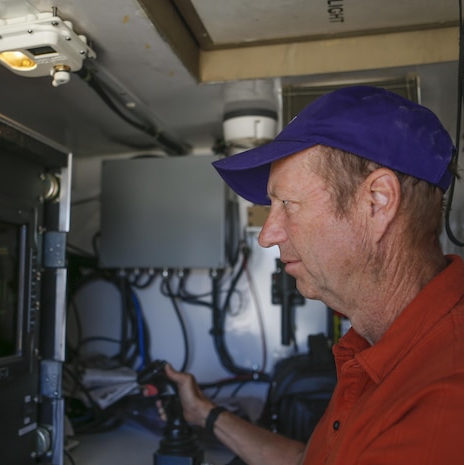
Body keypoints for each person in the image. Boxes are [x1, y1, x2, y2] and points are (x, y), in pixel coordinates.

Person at [162, 86, 464, 465]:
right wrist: (203, 413)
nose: (268, 236)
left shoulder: (443, 405)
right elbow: (312, 459)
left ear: (378, 201)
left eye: (287, 203)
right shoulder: (375, 343)